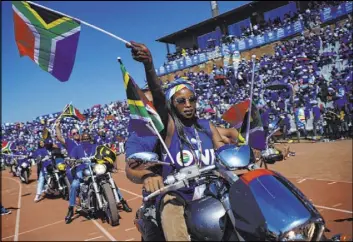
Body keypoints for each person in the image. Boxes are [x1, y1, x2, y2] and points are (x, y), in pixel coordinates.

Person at [126, 41, 225, 241]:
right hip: (178, 194)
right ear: (172, 105)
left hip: (212, 190)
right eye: (181, 101)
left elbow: (223, 147)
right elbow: (159, 98)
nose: (188, 105)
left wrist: (246, 151)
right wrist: (149, 65)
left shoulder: (207, 126)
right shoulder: (168, 127)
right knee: (171, 209)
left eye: (192, 99)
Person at [65, 133, 131, 224]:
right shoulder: (77, 148)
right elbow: (71, 158)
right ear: (81, 140)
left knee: (109, 178)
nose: (86, 140)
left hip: (95, 167)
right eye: (84, 139)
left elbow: (104, 152)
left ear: (90, 139)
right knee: (75, 184)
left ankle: (122, 201)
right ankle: (71, 208)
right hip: (82, 169)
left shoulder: (96, 147)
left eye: (87, 139)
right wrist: (72, 160)